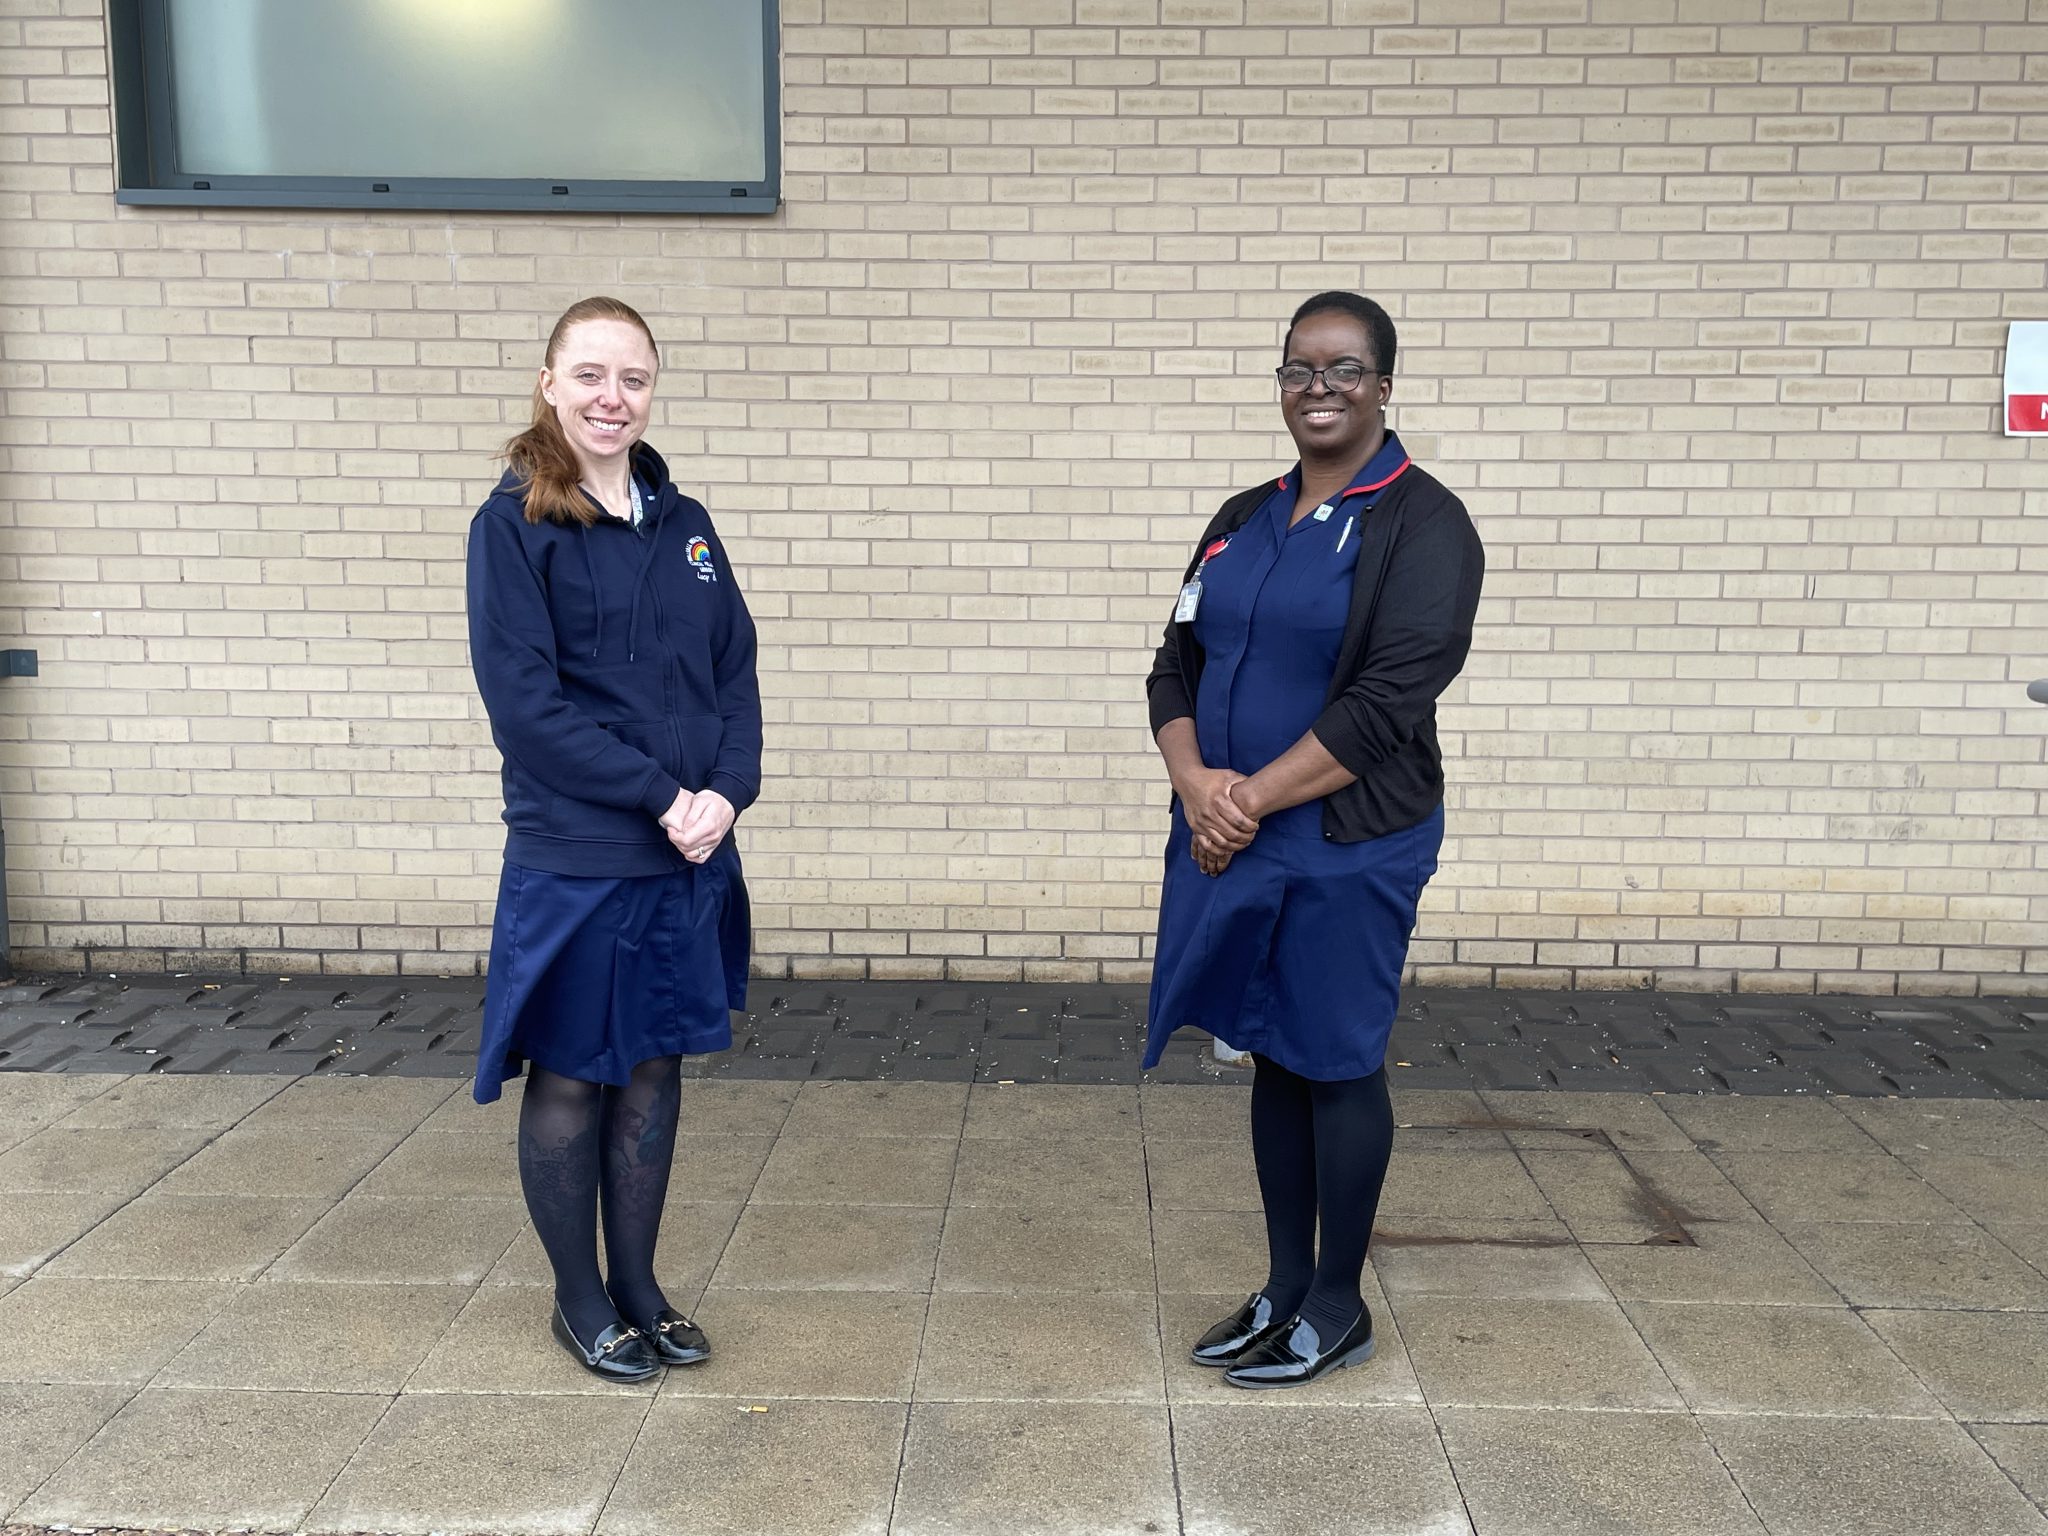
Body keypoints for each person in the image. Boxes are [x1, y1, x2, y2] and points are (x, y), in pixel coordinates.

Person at [1144, 292, 1484, 1389]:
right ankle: (1283, 1283)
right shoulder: (1242, 513)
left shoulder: (1425, 525)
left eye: (1343, 369)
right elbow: (1173, 663)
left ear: (1385, 384)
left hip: (1346, 840)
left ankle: (1336, 1304)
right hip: (1231, 831)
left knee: (1332, 1059)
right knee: (1269, 1053)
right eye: (1298, 368)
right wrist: (1196, 783)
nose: (1318, 388)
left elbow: (1388, 702)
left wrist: (1244, 801)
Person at [465, 296, 761, 1383]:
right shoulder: (513, 526)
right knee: (571, 1079)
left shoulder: (682, 522)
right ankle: (579, 1298)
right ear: (549, 383)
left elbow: (733, 668)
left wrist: (728, 789)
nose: (610, 397)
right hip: (579, 854)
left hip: (685, 851)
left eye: (631, 378)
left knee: (648, 1070)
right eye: (588, 375)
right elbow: (525, 708)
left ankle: (638, 1284)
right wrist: (658, 792)